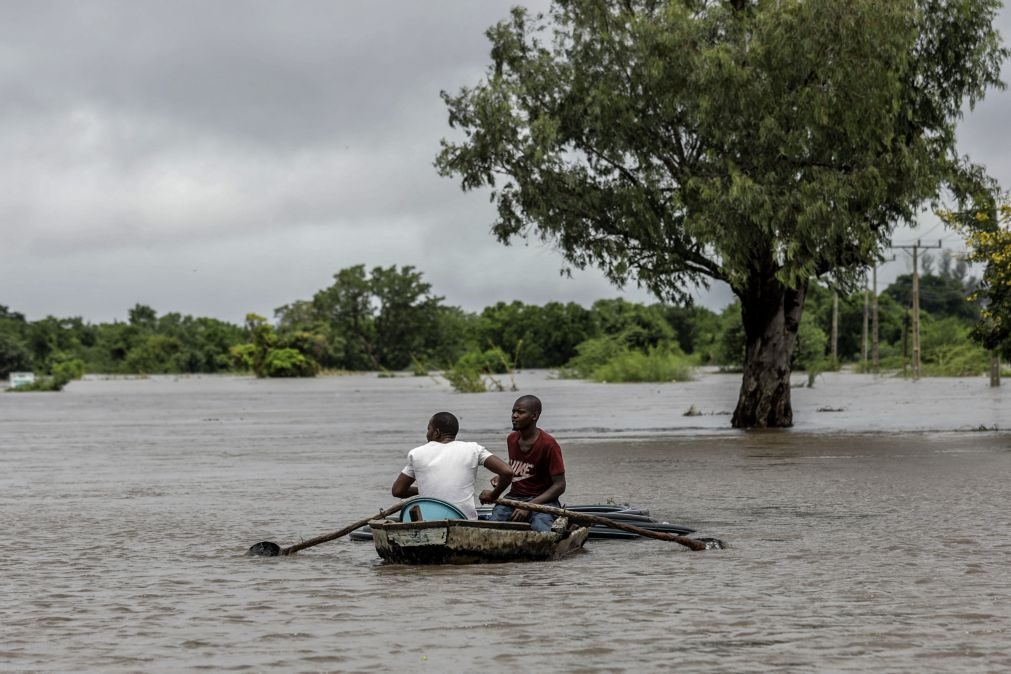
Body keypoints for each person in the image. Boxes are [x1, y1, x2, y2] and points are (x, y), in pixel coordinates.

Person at [392, 411, 513, 520]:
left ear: (436, 433)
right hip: (464, 519)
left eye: (428, 429)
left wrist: (429, 490)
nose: (427, 433)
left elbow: (398, 491)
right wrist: (493, 495)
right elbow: (507, 472)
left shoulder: (416, 453)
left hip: (428, 519)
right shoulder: (474, 449)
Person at [480, 395, 565, 532]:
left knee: (542, 530)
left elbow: (560, 486)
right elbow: (518, 467)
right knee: (492, 527)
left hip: (542, 501)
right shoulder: (512, 439)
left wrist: (528, 506)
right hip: (514, 498)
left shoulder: (549, 445)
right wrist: (502, 477)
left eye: (520, 412)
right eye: (513, 411)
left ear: (534, 415)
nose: (514, 416)